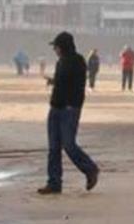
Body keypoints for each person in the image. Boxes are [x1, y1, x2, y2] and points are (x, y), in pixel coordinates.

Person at [39, 32, 100, 195]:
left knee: (68, 144)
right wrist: (53, 81)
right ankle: (54, 182)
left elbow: (72, 83)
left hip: (69, 109)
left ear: (63, 46)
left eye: (56, 47)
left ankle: (90, 169)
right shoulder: (62, 61)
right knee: (53, 147)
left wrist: (57, 82)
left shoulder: (78, 61)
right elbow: (62, 81)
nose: (55, 50)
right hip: (56, 107)